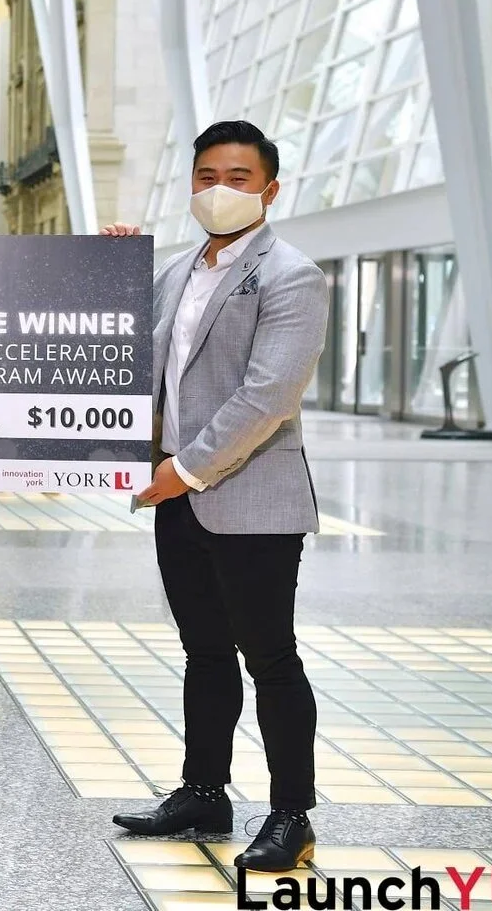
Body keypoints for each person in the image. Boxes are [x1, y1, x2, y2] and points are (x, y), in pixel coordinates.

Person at [100, 120, 329, 873]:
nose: (219, 190)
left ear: (270, 188)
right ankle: (204, 791)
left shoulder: (291, 275)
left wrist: (185, 469)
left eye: (237, 177)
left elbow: (268, 396)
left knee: (270, 656)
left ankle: (291, 813)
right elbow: (135, 358)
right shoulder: (176, 271)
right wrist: (110, 270)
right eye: (206, 177)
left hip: (251, 499)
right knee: (203, 652)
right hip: (178, 496)